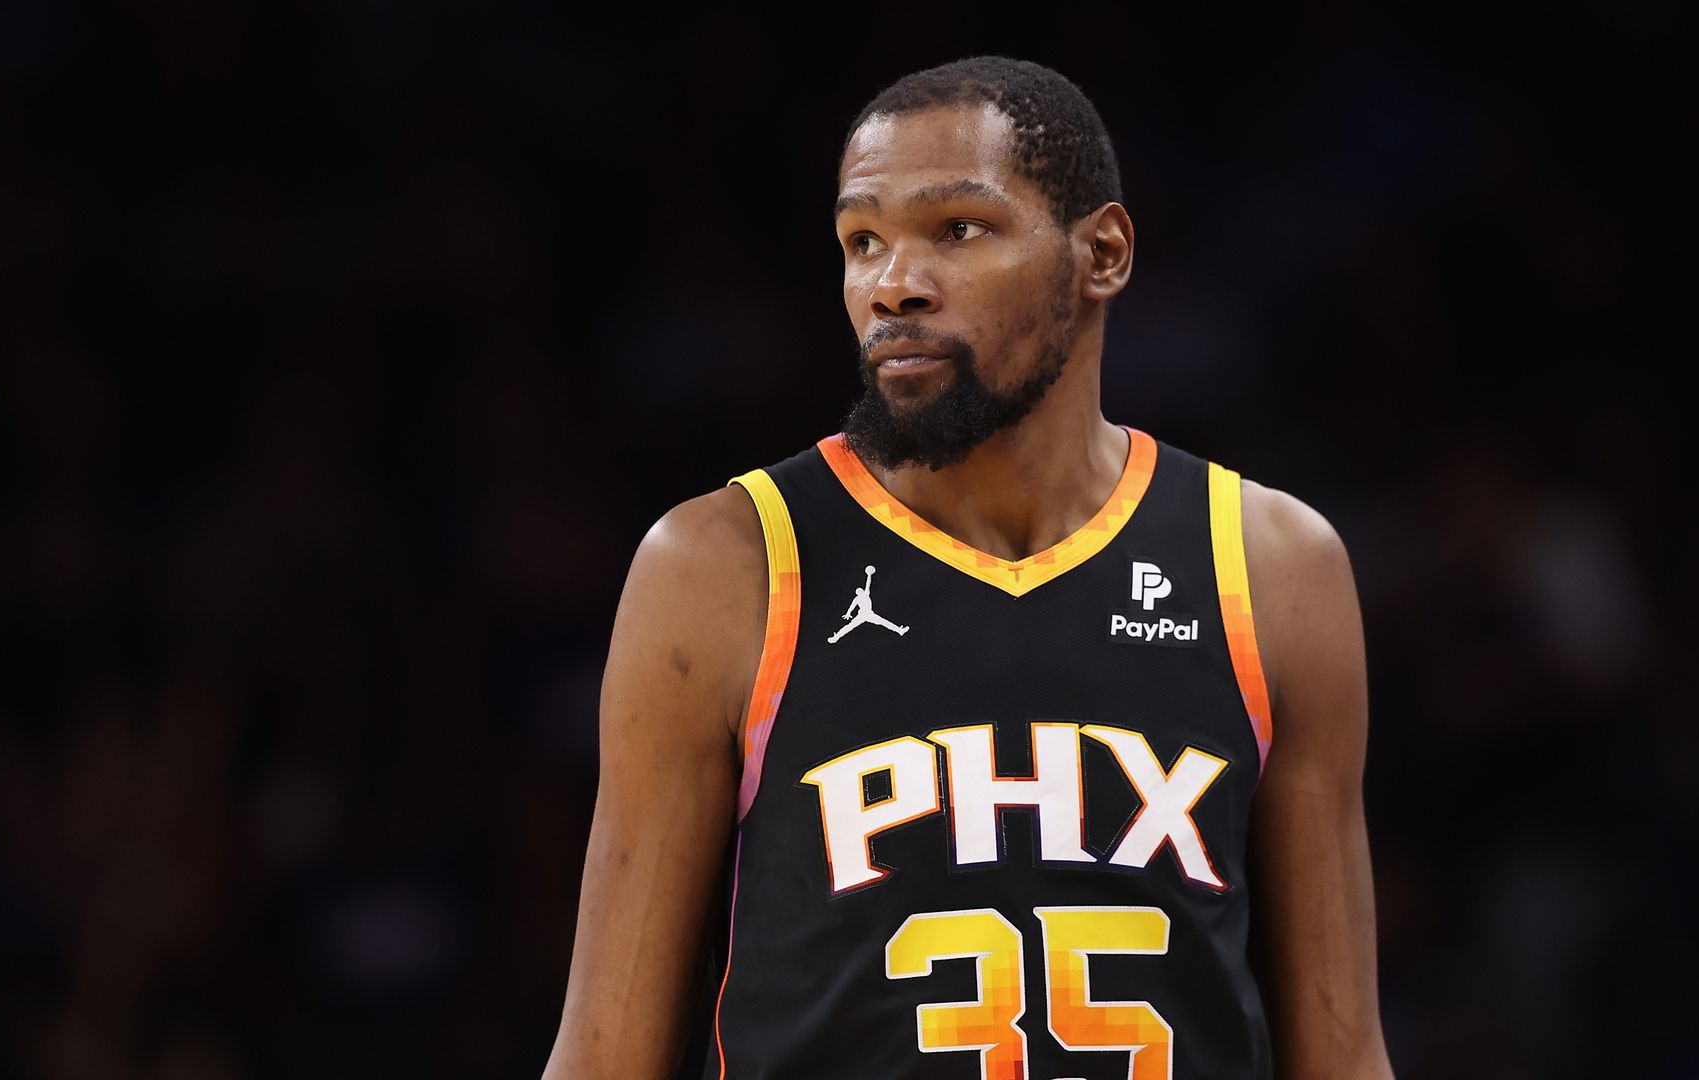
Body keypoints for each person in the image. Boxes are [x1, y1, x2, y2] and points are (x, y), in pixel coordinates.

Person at [543, 56, 1393, 1080]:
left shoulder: (1269, 565)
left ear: (1104, 254)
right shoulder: (723, 566)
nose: (893, 284)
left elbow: (1342, 1053)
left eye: (958, 230)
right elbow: (604, 1054)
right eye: (863, 242)